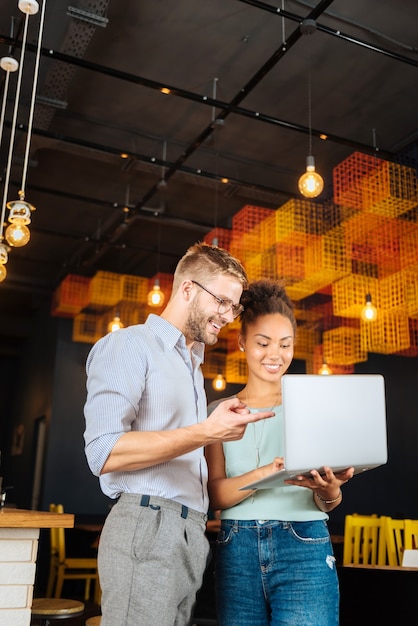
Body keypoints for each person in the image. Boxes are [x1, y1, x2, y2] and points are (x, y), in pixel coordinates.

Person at [83, 243, 275, 626]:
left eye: (233, 307)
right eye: (222, 301)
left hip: (190, 530)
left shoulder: (191, 364)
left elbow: (187, 440)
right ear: (187, 289)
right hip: (147, 522)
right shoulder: (129, 345)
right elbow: (103, 451)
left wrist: (216, 432)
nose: (228, 316)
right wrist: (206, 431)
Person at [205, 279, 354, 626]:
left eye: (285, 345)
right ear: (242, 342)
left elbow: (327, 499)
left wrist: (330, 491)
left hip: (304, 544)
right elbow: (217, 494)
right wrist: (270, 472)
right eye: (263, 343)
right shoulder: (219, 411)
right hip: (236, 546)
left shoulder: (312, 408)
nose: (275, 354)